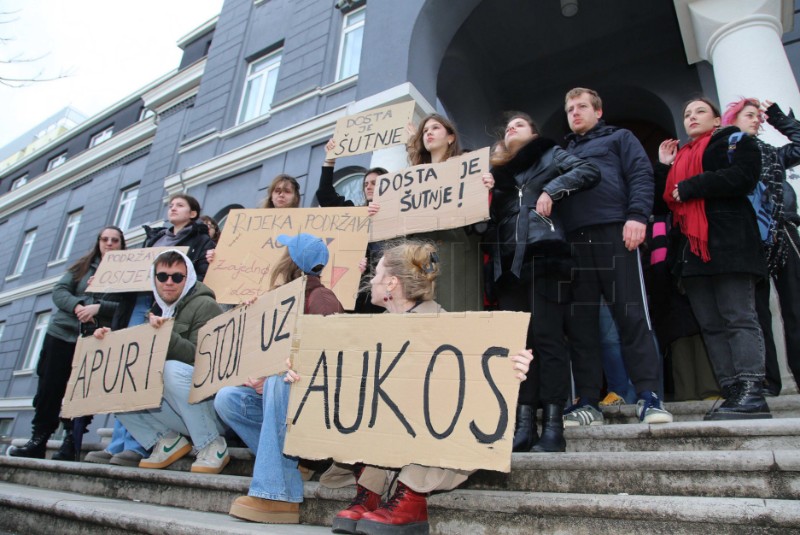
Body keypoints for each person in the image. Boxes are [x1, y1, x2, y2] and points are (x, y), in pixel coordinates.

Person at [316, 240, 533, 535]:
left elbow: (482, 381)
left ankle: (412, 496)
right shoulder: (366, 334)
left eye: (377, 274)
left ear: (391, 283)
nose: (372, 280)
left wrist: (512, 368)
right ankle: (371, 491)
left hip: (431, 439)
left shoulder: (447, 328)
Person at [486, 112, 599, 452]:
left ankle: (553, 426)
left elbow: (589, 171)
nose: (511, 129)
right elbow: (482, 224)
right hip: (507, 265)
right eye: (507, 127)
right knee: (519, 345)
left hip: (545, 256)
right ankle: (524, 424)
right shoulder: (497, 177)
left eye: (519, 124)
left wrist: (553, 187)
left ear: (534, 133)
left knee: (548, 337)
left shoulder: (551, 154)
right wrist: (486, 196)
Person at [214, 233, 344, 524]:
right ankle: (290, 466)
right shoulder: (280, 300)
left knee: (276, 382)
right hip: (284, 401)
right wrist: (247, 314)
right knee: (228, 399)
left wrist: (275, 374)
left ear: (291, 261)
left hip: (313, 407)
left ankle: (277, 494)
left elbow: (331, 360)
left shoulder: (320, 298)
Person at [561, 87, 672, 425]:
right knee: (581, 327)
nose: (575, 113)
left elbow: (640, 175)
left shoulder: (620, 138)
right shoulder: (561, 152)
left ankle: (649, 397)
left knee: (632, 318)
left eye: (582, 106)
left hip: (615, 233)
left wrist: (637, 216)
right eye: (569, 109)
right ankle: (588, 401)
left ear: (598, 110)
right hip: (574, 243)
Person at [656, 97, 769, 420]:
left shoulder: (736, 142)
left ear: (718, 120)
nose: (691, 117)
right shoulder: (680, 159)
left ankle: (752, 391)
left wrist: (694, 185)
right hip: (692, 254)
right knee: (711, 325)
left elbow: (744, 178)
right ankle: (732, 391)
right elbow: (662, 204)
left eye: (699, 111)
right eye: (687, 113)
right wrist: (664, 167)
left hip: (731, 246)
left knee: (739, 317)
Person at [9, 227, 125, 460]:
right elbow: (60, 290)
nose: (109, 243)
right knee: (49, 388)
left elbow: (126, 306)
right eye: (105, 239)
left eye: (115, 240)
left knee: (81, 390)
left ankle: (72, 439)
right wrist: (78, 305)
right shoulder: (81, 267)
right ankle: (39, 438)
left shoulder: (126, 272)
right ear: (98, 242)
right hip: (62, 334)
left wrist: (99, 307)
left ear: (122, 244)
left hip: (94, 338)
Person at [108, 249, 229, 471]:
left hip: (212, 406)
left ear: (189, 278)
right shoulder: (157, 310)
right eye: (162, 277)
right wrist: (108, 343)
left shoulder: (205, 306)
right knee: (116, 383)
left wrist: (165, 336)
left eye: (177, 277)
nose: (169, 282)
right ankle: (165, 440)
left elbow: (203, 361)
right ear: (155, 280)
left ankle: (212, 443)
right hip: (179, 409)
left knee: (170, 369)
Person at [722, 98, 800, 394]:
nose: (757, 120)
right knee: (755, 314)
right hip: (748, 240)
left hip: (784, 235)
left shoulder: (773, 154)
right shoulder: (726, 154)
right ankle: (767, 381)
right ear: (733, 119)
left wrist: (779, 118)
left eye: (759, 116)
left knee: (796, 309)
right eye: (749, 115)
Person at [316, 138, 387, 313]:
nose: (369, 187)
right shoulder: (354, 215)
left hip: (384, 295)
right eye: (366, 184)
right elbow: (325, 195)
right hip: (354, 293)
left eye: (374, 183)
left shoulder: (397, 217)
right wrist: (329, 160)